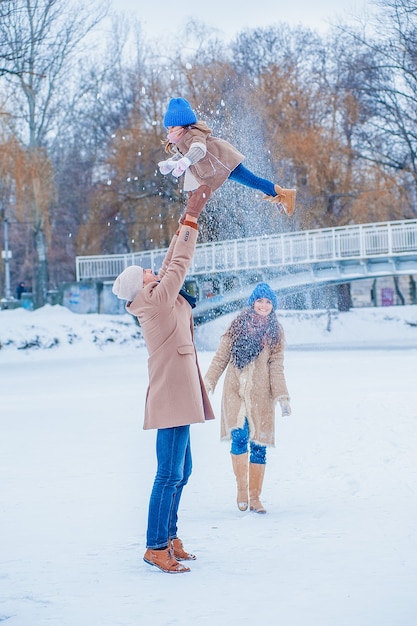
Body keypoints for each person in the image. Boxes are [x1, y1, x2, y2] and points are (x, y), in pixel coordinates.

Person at [112, 193, 215, 574]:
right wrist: (190, 219)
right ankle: (156, 546)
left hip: (178, 389)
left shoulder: (154, 296)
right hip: (172, 394)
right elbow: (178, 267)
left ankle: (169, 538)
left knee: (181, 471)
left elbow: (171, 262)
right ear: (141, 288)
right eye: (147, 275)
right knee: (168, 473)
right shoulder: (154, 302)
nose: (154, 273)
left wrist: (182, 225)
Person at [204, 283, 291, 514]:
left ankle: (255, 497)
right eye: (260, 301)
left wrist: (282, 396)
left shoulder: (275, 333)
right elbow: (220, 358)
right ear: (253, 302)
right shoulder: (237, 327)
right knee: (240, 437)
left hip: (261, 396)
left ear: (273, 306)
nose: (263, 306)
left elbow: (276, 367)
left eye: (268, 302)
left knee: (259, 445)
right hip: (235, 392)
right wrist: (208, 383)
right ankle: (242, 490)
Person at [158, 97, 296, 220]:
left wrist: (187, 161)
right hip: (217, 167)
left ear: (183, 124)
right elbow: (183, 155)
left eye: (172, 127)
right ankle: (278, 196)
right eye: (168, 128)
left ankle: (284, 195)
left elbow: (198, 149)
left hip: (225, 163)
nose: (169, 131)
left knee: (253, 181)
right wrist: (171, 163)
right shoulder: (182, 140)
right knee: (252, 182)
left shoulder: (194, 134)